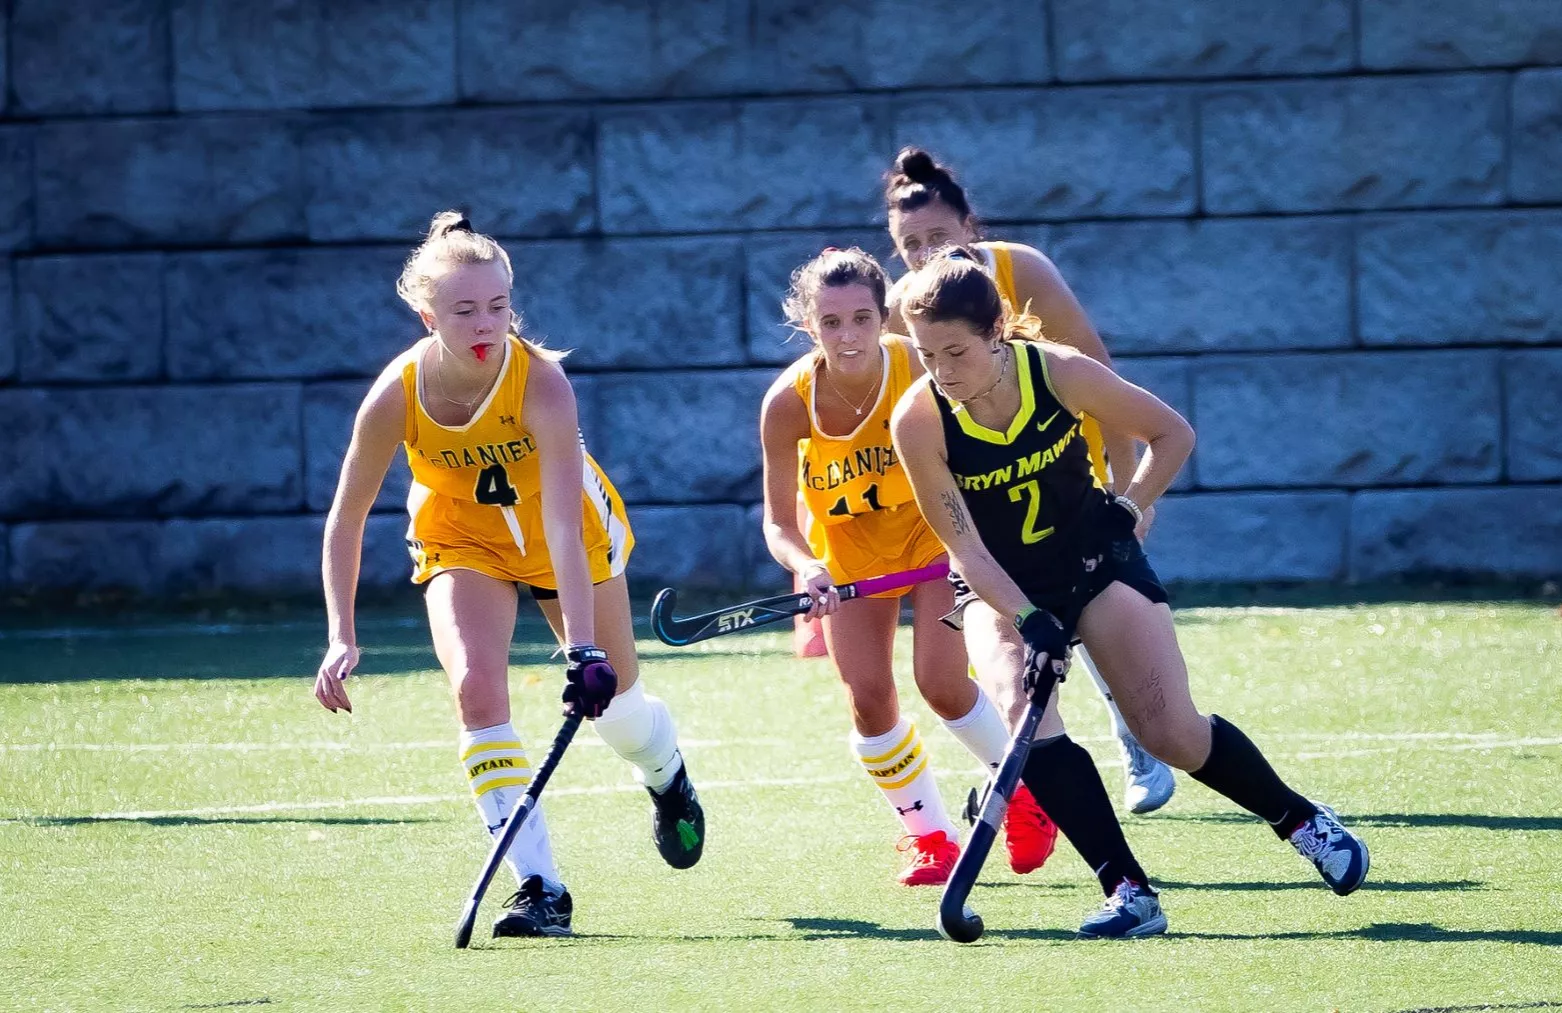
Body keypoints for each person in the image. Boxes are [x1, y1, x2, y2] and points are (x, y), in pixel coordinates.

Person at [890, 248, 1370, 937]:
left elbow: (1172, 433)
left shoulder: (1057, 371)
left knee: (1168, 730)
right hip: (1001, 585)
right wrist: (1027, 617)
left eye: (955, 351)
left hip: (1091, 559)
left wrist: (1131, 504)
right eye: (926, 354)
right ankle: (1127, 888)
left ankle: (1300, 820)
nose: (941, 371)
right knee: (1026, 708)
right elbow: (963, 547)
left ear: (996, 330)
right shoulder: (920, 419)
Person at [312, 212, 705, 939]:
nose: (485, 322)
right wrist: (341, 634)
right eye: (463, 310)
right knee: (476, 688)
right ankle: (538, 885)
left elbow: (561, 520)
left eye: (498, 305)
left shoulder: (543, 384)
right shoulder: (397, 393)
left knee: (619, 711)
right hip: (462, 542)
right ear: (428, 314)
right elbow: (347, 516)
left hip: (568, 542)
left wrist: (583, 649)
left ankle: (666, 773)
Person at [881, 145, 1177, 816]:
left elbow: (1100, 376)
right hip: (982, 488)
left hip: (1065, 467)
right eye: (910, 245)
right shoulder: (908, 304)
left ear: (969, 228)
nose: (926, 254)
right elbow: (925, 414)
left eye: (938, 237)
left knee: (1086, 593)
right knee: (1006, 633)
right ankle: (1021, 764)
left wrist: (1128, 492)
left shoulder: (1022, 270)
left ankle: (1139, 734)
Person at [758, 247, 1059, 887]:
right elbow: (779, 523)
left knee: (940, 682)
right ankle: (930, 838)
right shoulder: (789, 403)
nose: (848, 337)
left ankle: (1025, 789)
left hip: (937, 549)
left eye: (862, 319)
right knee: (868, 700)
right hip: (853, 562)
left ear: (883, 315)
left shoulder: (920, 374)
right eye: (832, 322)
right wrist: (807, 566)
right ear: (809, 325)